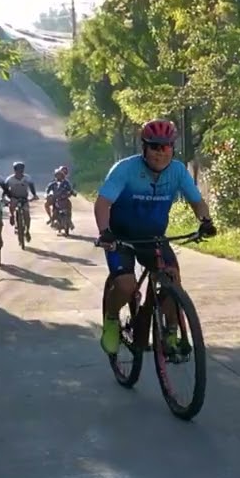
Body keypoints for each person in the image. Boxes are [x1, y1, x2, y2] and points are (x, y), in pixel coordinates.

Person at [94, 119, 217, 356]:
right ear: (144, 147)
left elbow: (197, 201)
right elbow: (103, 203)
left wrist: (205, 222)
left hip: (154, 237)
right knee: (126, 285)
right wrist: (104, 232)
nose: (160, 152)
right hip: (121, 237)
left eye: (166, 146)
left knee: (172, 280)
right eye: (154, 146)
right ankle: (111, 320)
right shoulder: (125, 169)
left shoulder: (178, 171)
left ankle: (170, 333)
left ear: (172, 147)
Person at [3, 161, 39, 241]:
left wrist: (34, 195)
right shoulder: (10, 179)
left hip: (24, 198)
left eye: (21, 170)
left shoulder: (27, 178)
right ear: (14, 170)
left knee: (26, 214)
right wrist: (4, 198)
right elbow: (5, 190)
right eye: (17, 170)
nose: (19, 172)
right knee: (12, 204)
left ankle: (27, 230)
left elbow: (32, 187)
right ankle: (12, 216)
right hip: (14, 197)